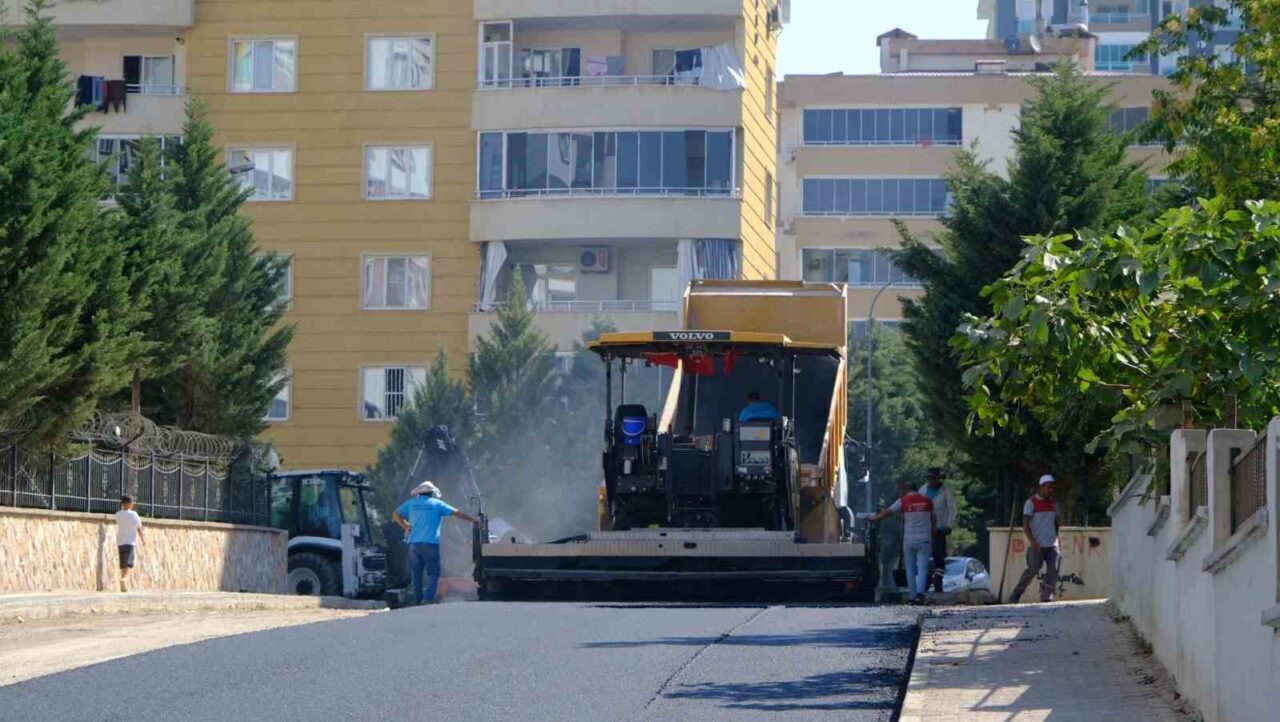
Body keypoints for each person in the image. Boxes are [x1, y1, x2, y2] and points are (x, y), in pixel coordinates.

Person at [392, 481, 480, 605]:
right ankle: (428, 598)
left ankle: (417, 601)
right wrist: (473, 520)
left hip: (414, 544)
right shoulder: (437, 504)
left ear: (419, 493)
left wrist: (405, 526)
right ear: (432, 493)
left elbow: (395, 514)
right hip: (430, 544)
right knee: (433, 573)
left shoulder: (411, 504)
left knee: (416, 574)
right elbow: (457, 513)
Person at [866, 481, 936, 604]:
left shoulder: (903, 501)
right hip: (925, 539)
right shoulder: (928, 501)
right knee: (922, 568)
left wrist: (873, 518)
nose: (901, 492)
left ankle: (912, 597)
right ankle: (920, 594)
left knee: (909, 568)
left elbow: (887, 513)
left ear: (906, 489)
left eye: (902, 489)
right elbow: (933, 521)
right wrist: (933, 538)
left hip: (909, 539)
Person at [1010, 474, 1061, 603]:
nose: (1051, 490)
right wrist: (1032, 541)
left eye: (1052, 488)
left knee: (1053, 569)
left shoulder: (1054, 503)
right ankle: (1017, 593)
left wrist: (1057, 537)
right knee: (1032, 570)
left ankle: (1047, 595)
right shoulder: (1031, 502)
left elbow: (1057, 521)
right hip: (1037, 544)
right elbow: (1026, 524)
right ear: (1042, 487)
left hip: (1052, 543)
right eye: (1048, 487)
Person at [919, 468, 956, 593]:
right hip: (925, 528)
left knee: (939, 555)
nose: (932, 481)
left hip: (940, 528)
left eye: (934, 478)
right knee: (924, 555)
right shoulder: (923, 490)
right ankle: (925, 580)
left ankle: (938, 580)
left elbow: (951, 509)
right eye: (930, 478)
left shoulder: (945, 491)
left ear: (939, 479)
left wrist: (949, 525)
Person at [115, 495, 145, 592]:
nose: (133, 504)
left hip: (120, 542)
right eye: (132, 502)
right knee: (128, 564)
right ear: (128, 504)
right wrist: (143, 539)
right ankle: (123, 579)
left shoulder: (118, 514)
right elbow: (139, 528)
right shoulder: (133, 514)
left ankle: (123, 583)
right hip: (130, 542)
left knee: (123, 564)